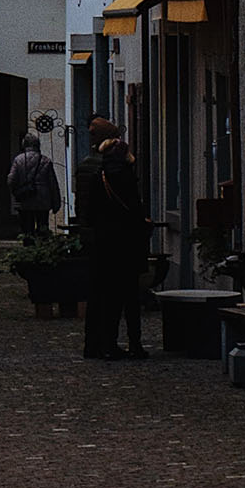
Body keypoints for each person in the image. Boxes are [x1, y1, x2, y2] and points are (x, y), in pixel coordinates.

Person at [79, 130, 150, 360]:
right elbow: (136, 213)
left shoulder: (97, 177)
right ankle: (134, 344)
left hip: (103, 246)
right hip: (128, 246)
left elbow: (87, 215)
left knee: (102, 296)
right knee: (129, 298)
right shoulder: (128, 178)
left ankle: (100, 345)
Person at [8, 132, 63, 240]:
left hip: (25, 200)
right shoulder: (45, 161)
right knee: (42, 229)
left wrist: (16, 192)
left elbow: (11, 180)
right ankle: (41, 250)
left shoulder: (18, 160)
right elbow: (53, 184)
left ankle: (28, 250)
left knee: (27, 231)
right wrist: (56, 203)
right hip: (43, 201)